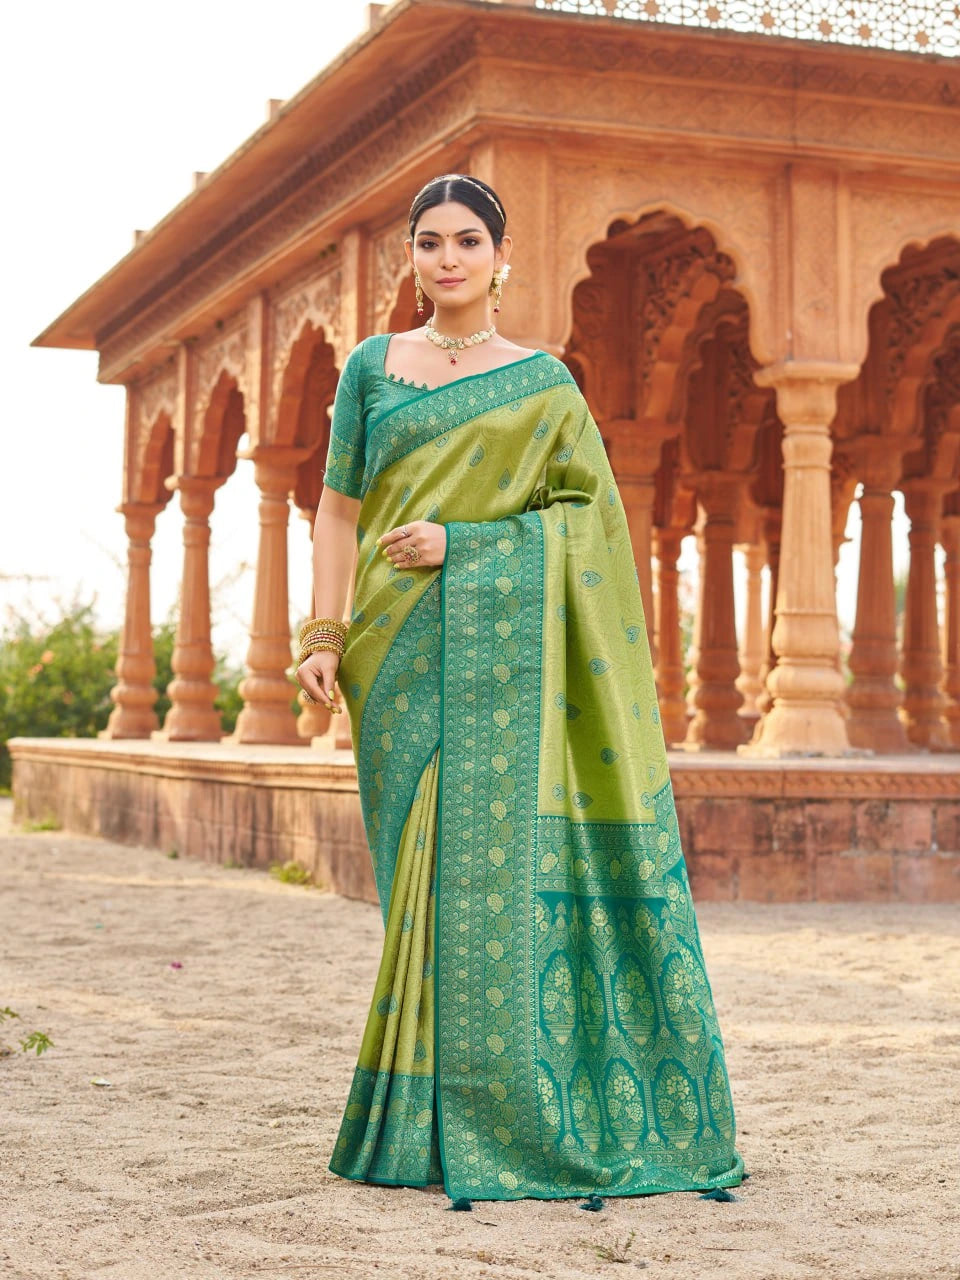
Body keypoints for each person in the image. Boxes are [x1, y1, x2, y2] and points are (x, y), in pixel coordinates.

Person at [295, 173, 746, 1209]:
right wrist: (323, 632)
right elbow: (335, 511)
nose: (447, 258)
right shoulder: (371, 368)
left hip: (502, 661)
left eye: (467, 241)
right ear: (411, 258)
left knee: (472, 875)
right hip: (393, 655)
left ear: (502, 258)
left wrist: (466, 543)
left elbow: (591, 524)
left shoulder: (544, 385)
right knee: (416, 882)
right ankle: (421, 1115)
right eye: (429, 242)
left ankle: (476, 1120)